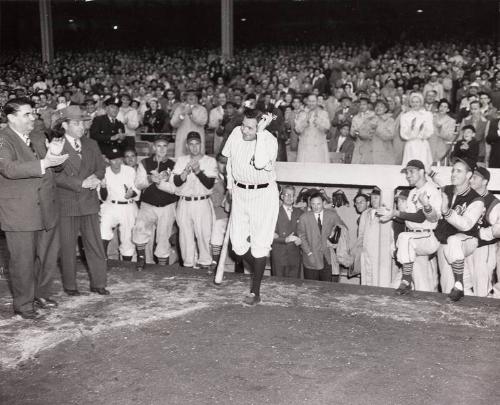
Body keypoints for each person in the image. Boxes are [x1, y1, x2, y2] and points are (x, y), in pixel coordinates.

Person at [0, 98, 68, 319]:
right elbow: (9, 168)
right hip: (20, 212)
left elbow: (50, 170)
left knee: (46, 257)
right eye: (27, 114)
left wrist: (56, 160)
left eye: (33, 114)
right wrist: (45, 163)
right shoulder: (4, 139)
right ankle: (24, 304)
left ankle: (40, 294)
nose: (33, 118)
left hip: (44, 208)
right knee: (22, 261)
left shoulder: (36, 138)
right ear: (11, 117)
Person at [221, 109, 278, 305]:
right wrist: (229, 187)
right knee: (237, 245)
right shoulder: (237, 132)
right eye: (244, 125)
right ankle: (259, 270)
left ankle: (255, 291)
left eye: (250, 128)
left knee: (259, 245)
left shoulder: (269, 140)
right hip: (240, 192)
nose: (244, 130)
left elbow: (261, 162)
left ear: (260, 127)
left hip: (263, 194)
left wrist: (261, 133)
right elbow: (229, 162)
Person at [51, 106, 109, 296]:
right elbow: (54, 176)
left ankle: (99, 283)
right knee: (67, 247)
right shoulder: (55, 145)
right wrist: (81, 182)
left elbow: (101, 167)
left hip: (90, 202)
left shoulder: (91, 144)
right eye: (76, 123)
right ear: (65, 125)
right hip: (67, 204)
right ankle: (70, 286)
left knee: (95, 245)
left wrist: (96, 178)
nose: (81, 127)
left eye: (83, 122)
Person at [376, 160, 441, 294]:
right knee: (422, 283)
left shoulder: (431, 190)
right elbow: (408, 217)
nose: (408, 175)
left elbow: (420, 217)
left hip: (427, 236)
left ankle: (406, 280)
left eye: (411, 171)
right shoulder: (413, 193)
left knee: (404, 237)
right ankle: (410, 285)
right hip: (415, 240)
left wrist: (396, 213)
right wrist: (392, 215)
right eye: (407, 172)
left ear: (422, 172)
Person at [434, 157, 484, 301]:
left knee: (454, 240)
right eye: (453, 170)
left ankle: (459, 284)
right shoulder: (447, 190)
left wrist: (447, 211)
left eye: (459, 171)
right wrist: (428, 208)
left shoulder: (477, 199)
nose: (454, 174)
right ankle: (458, 287)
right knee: (446, 286)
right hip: (445, 244)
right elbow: (435, 215)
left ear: (469, 175)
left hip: (467, 239)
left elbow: (466, 225)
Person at [172, 131, 217, 269]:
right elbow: (176, 182)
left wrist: (198, 171)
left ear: (201, 145)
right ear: (187, 146)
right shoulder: (181, 160)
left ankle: (205, 264)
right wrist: (184, 172)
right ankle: (188, 265)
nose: (194, 147)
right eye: (191, 144)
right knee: (185, 237)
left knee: (204, 235)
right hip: (185, 202)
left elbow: (209, 184)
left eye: (197, 144)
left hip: (202, 202)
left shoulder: (210, 161)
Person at [132, 136, 178, 270]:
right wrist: (150, 178)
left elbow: (175, 187)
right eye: (159, 146)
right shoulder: (145, 163)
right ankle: (142, 260)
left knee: (163, 238)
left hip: (167, 206)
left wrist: (161, 182)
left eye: (165, 146)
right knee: (140, 229)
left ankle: (162, 269)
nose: (162, 149)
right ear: (153, 147)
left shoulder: (173, 164)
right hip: (148, 204)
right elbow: (138, 184)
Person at [99, 148, 139, 261]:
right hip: (111, 205)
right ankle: (102, 260)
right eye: (113, 160)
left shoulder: (130, 171)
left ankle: (126, 266)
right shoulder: (104, 172)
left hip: (128, 206)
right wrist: (102, 187)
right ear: (107, 160)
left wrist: (131, 194)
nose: (116, 162)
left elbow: (137, 190)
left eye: (118, 159)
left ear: (122, 159)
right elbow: (103, 197)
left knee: (127, 239)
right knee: (103, 230)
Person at [297, 191, 346, 282]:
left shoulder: (332, 215)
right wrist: (309, 253)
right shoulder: (304, 217)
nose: (316, 207)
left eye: (318, 204)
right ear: (310, 204)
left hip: (327, 258)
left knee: (326, 287)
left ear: (323, 203)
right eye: (313, 204)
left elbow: (343, 229)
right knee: (311, 287)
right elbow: (302, 237)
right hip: (311, 258)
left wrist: (336, 243)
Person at [468, 167, 500, 297]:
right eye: (471, 176)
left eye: (475, 177)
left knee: (482, 287)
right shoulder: (468, 198)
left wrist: (479, 233)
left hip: (484, 247)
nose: (471, 179)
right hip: (468, 246)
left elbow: (498, 229)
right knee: (467, 285)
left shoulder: (493, 202)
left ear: (485, 181)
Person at [271, 185, 302, 278]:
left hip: (294, 256)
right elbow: (269, 235)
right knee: (278, 285)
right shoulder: (274, 212)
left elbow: (304, 233)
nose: (289, 197)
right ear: (282, 196)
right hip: (279, 255)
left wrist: (301, 240)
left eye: (292, 195)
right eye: (287, 194)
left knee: (293, 286)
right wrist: (285, 240)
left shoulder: (300, 212)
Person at [400, 92, 434, 170]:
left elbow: (430, 131)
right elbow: (403, 134)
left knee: (423, 168)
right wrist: (413, 130)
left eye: (417, 102)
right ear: (410, 103)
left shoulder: (427, 115)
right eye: (413, 102)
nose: (415, 104)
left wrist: (421, 134)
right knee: (410, 168)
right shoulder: (405, 116)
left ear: (421, 103)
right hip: (411, 145)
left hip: (422, 145)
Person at [171, 89, 208, 158]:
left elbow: (203, 122)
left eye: (193, 95)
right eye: (189, 95)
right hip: (182, 142)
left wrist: (191, 114)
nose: (191, 97)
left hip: (196, 143)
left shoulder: (202, 109)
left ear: (197, 97)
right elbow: (173, 123)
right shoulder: (179, 108)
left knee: (197, 164)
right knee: (181, 165)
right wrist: (182, 115)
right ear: (185, 97)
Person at [294, 94, 331, 163]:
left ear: (317, 102)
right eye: (310, 101)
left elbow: (327, 128)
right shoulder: (302, 113)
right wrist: (306, 120)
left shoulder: (323, 113)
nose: (311, 103)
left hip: (318, 148)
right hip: (305, 148)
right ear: (307, 102)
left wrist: (318, 120)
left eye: (313, 101)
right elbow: (297, 129)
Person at [209, 153, 230, 273]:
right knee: (217, 229)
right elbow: (215, 201)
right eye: (222, 162)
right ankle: (215, 262)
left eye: (227, 162)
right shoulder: (214, 178)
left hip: (233, 214)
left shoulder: (233, 176)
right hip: (217, 213)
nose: (225, 165)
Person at [430, 99, 456, 164]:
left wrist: (441, 128)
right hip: (430, 145)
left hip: (443, 147)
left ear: (448, 109)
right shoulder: (431, 117)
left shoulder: (451, 121)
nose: (442, 108)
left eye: (445, 107)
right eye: (441, 106)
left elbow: (450, 136)